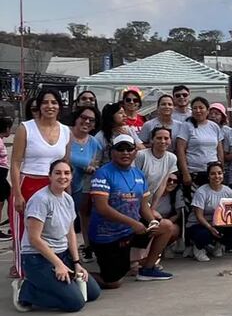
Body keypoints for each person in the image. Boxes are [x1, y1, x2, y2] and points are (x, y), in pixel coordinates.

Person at [11, 160, 101, 312]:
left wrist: (77, 262)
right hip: (38, 258)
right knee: (75, 302)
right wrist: (58, 264)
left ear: (71, 177)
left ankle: (55, 286)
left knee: (92, 293)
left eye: (67, 173)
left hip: (62, 254)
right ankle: (26, 291)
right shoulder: (40, 200)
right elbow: (34, 238)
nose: (62, 177)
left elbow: (70, 233)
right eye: (57, 173)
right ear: (49, 176)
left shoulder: (67, 199)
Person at [89, 134, 176, 286]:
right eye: (120, 149)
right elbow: (102, 208)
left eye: (129, 149)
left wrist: (152, 221)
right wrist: (133, 224)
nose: (125, 153)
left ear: (136, 152)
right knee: (113, 283)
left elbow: (143, 206)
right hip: (108, 235)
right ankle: (78, 273)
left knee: (166, 226)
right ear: (112, 151)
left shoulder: (138, 174)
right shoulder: (103, 173)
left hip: (131, 231)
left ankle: (147, 269)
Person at [9, 89, 71, 279]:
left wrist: (66, 194)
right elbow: (16, 162)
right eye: (45, 102)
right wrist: (17, 194)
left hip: (54, 186)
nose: (50, 106)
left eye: (54, 102)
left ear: (60, 106)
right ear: (39, 106)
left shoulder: (66, 130)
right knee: (24, 233)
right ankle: (22, 277)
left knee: (53, 231)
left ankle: (52, 269)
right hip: (28, 184)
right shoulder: (26, 128)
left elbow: (65, 164)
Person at [67, 106, 102, 258]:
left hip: (79, 187)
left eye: (91, 120)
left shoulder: (94, 142)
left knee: (71, 222)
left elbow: (95, 162)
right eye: (83, 117)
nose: (87, 121)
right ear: (76, 118)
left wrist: (92, 168)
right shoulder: (64, 135)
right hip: (60, 186)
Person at [186, 161, 232, 262]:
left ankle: (218, 246)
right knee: (204, 234)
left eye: (219, 173)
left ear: (223, 174)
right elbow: (199, 216)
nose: (216, 176)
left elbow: (231, 213)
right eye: (213, 173)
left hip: (218, 223)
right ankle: (198, 248)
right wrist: (210, 228)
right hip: (198, 224)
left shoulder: (228, 191)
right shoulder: (201, 191)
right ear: (208, 176)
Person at [176, 97, 224, 189]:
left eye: (201, 108)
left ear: (207, 110)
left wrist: (221, 170)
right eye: (195, 108)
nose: (198, 111)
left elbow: (219, 150)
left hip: (213, 174)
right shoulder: (187, 126)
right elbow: (180, 150)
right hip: (194, 172)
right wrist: (185, 173)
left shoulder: (214, 126)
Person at [135, 127, 179, 218]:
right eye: (159, 138)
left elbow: (162, 184)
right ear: (152, 140)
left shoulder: (171, 158)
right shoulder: (141, 155)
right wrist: (145, 208)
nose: (163, 141)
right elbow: (134, 182)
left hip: (149, 201)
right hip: (135, 199)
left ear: (170, 140)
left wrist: (152, 208)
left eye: (166, 138)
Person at [0, 115, 12, 240]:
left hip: (2, 174)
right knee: (1, 201)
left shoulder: (1, 140)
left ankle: (11, 222)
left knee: (10, 197)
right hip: (0, 175)